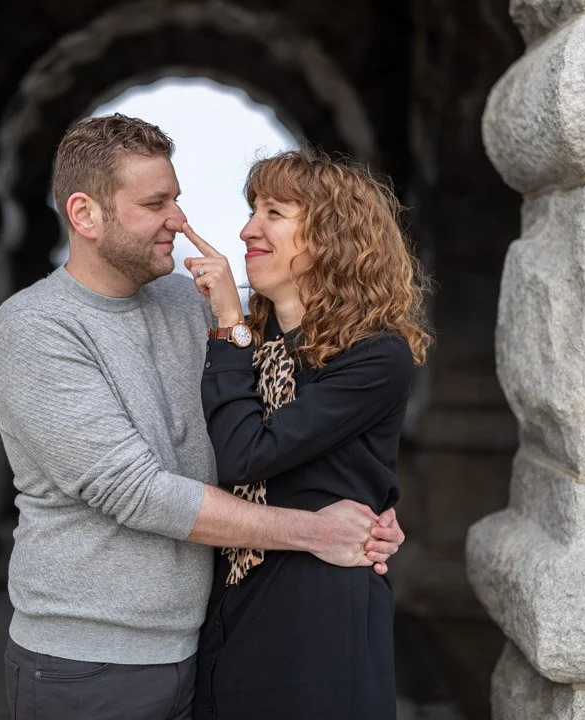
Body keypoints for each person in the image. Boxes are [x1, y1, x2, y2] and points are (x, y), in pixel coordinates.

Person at [0, 114, 406, 720]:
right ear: (85, 215)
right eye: (156, 203)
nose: (179, 220)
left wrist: (370, 516)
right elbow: (136, 493)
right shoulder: (36, 327)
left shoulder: (193, 305)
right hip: (89, 663)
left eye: (178, 199)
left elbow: (287, 425)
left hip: (204, 640)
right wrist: (317, 530)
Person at [182, 150, 432, 719]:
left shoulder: (375, 354)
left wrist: (228, 325)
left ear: (331, 234)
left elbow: (247, 454)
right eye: (251, 210)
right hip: (233, 599)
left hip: (316, 618)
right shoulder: (257, 342)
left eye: (274, 212)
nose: (249, 229)